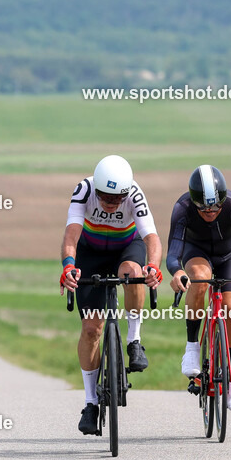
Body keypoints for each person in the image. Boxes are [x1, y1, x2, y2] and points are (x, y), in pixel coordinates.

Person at [59, 155, 162, 435]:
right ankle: (91, 403)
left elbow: (152, 237)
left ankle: (134, 340)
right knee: (92, 328)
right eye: (105, 197)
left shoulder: (135, 195)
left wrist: (153, 267)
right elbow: (71, 235)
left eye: (117, 199)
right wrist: (69, 266)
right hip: (90, 252)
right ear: (97, 190)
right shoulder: (84, 189)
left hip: (126, 248)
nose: (110, 204)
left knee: (133, 272)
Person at [167, 165, 231, 413]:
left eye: (216, 207)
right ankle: (192, 347)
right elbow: (173, 254)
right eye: (204, 209)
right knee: (200, 279)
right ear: (194, 202)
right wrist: (177, 272)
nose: (211, 212)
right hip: (197, 254)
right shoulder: (182, 208)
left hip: (229, 255)